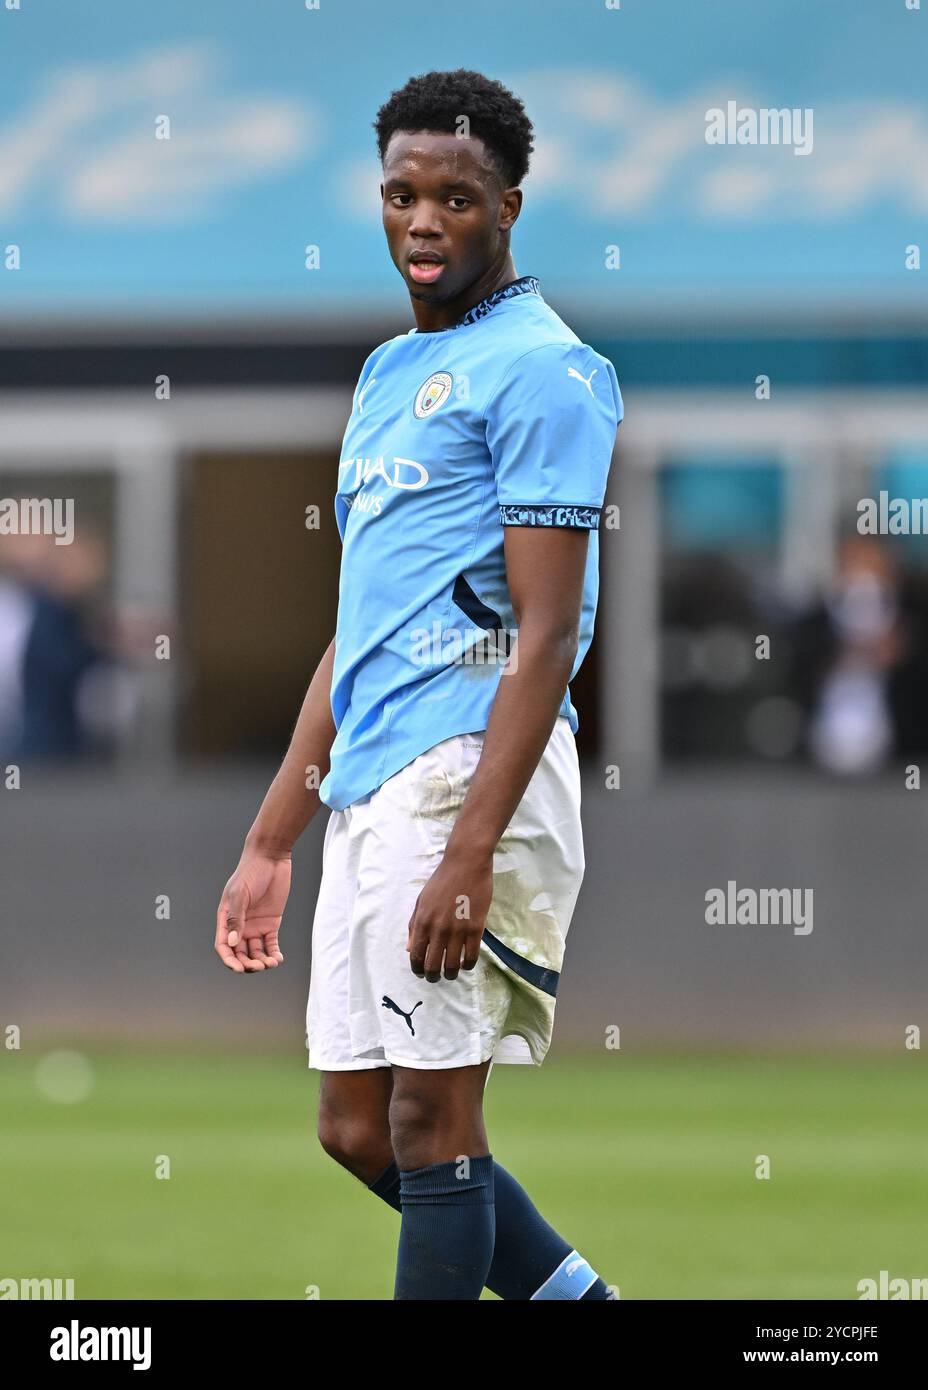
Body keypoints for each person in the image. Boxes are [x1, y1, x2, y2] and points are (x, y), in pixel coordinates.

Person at [214, 68, 623, 1300]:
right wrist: (272, 835)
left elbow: (546, 636)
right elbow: (362, 628)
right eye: (401, 195)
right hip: (372, 789)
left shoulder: (549, 371)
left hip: (465, 777)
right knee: (353, 1127)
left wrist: (470, 852)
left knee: (434, 1127)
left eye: (455, 196)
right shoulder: (388, 374)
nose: (424, 220)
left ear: (508, 203)